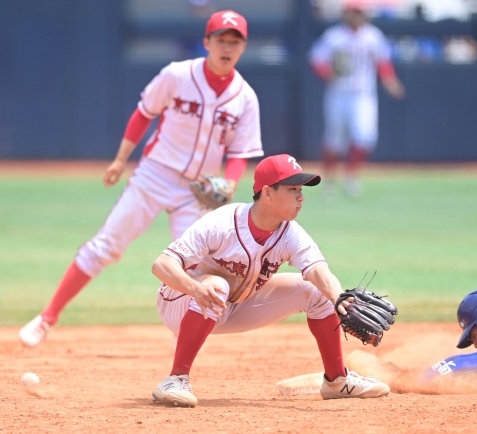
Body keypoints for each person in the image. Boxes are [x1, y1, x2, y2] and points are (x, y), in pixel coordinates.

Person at [19, 10, 264, 348]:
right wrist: (121, 160)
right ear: (207, 42)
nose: (227, 47)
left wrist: (229, 183)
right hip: (155, 174)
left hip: (197, 191)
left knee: (195, 269)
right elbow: (144, 113)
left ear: (243, 47)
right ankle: (47, 318)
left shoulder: (245, 98)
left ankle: (184, 355)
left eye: (234, 42)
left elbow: (240, 152)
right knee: (105, 246)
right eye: (221, 39)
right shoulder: (177, 75)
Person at [150, 154, 390, 407]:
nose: (301, 197)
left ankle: (337, 381)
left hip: (232, 306)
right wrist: (195, 289)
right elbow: (162, 265)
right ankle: (175, 379)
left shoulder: (290, 234)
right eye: (293, 189)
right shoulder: (222, 223)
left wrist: (338, 298)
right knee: (217, 287)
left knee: (314, 290)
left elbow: (319, 271)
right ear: (268, 193)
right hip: (182, 303)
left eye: (301, 190)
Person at [308, 1, 404, 198]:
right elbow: (316, 60)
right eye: (354, 12)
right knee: (334, 140)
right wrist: (330, 73)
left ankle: (350, 176)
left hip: (363, 95)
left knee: (365, 138)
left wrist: (391, 81)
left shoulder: (373, 35)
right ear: (346, 13)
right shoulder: (334, 36)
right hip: (339, 93)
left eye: (360, 12)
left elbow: (383, 62)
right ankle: (329, 180)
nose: (357, 15)